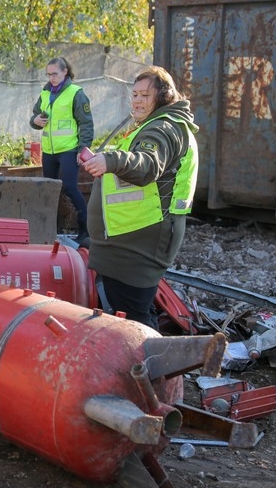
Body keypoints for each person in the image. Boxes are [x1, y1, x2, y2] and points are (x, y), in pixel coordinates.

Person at [80, 66, 199, 328]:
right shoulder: (157, 126)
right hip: (131, 236)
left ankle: (146, 367)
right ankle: (146, 362)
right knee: (134, 310)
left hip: (138, 242)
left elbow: (146, 164)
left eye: (145, 95)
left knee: (133, 318)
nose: (136, 101)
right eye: (134, 94)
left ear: (164, 97)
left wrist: (110, 160)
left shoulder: (163, 128)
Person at [30, 57, 94, 244]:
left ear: (65, 71)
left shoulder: (76, 93)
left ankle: (86, 229)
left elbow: (86, 123)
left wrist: (83, 149)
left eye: (55, 74)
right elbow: (35, 115)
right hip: (49, 151)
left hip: (69, 150)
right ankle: (50, 230)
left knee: (69, 187)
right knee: (50, 189)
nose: (51, 78)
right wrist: (34, 121)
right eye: (48, 74)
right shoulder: (45, 92)